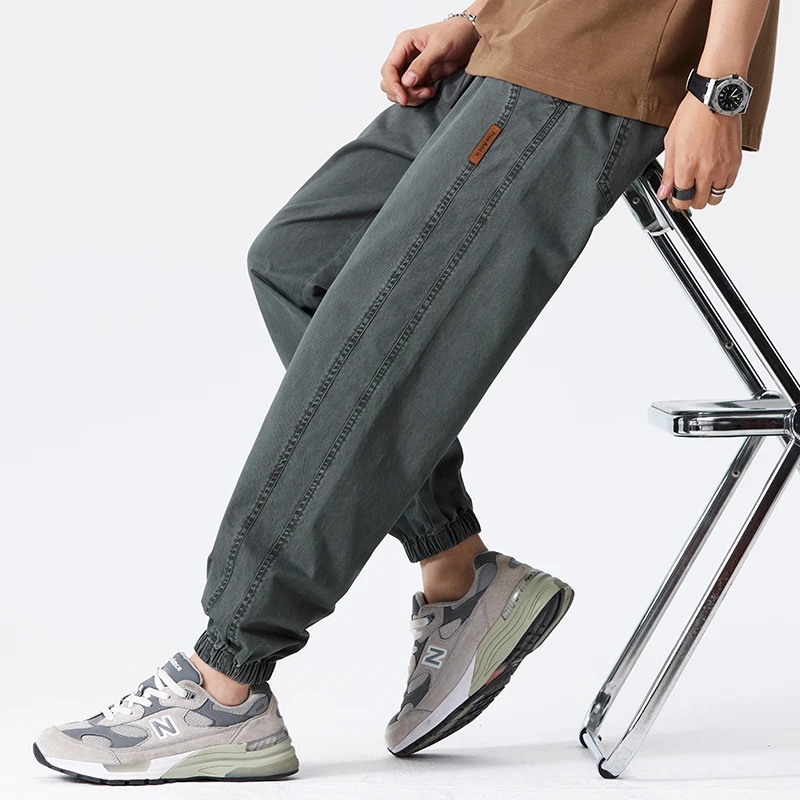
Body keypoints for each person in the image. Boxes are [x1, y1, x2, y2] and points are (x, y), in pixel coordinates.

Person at [33, 0, 779, 785]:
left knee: (383, 331)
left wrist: (719, 88)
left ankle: (226, 682)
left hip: (596, 64)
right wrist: (483, 16)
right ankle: (460, 572)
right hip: (521, 42)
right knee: (299, 264)